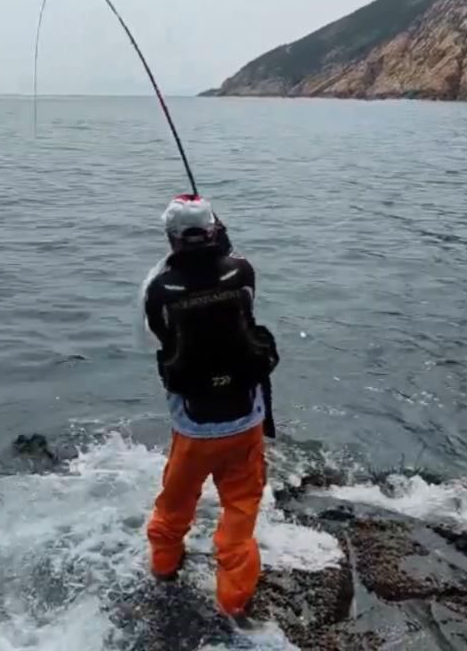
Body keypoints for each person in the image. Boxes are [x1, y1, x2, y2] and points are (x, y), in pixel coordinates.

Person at [141, 193, 279, 623]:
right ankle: (234, 603)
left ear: (171, 237)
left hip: (194, 426)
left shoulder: (159, 289)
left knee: (175, 501)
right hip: (245, 419)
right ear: (215, 229)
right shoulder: (242, 270)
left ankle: (164, 569)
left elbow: (158, 337)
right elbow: (241, 287)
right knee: (240, 507)